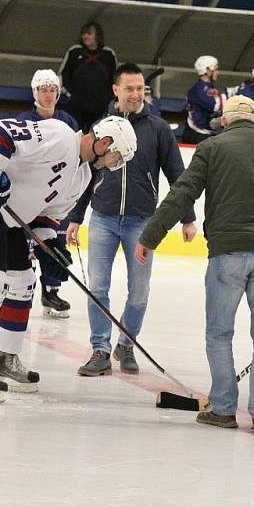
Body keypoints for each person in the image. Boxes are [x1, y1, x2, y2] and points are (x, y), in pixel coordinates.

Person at [135, 95, 254, 433]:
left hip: (227, 254)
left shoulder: (211, 148)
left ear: (225, 120)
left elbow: (182, 193)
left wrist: (150, 236)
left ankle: (224, 409)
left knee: (219, 333)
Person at [0, 114, 137, 402]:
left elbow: (46, 216)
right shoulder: (60, 136)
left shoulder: (83, 176)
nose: (114, 165)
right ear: (106, 142)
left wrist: (49, 248)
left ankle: (5, 359)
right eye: (116, 158)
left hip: (6, 217)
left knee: (23, 281)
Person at [67, 62, 197, 376]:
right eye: (129, 89)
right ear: (116, 90)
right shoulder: (101, 127)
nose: (136, 94)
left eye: (140, 89)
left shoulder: (158, 129)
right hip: (103, 219)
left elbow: (178, 176)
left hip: (142, 223)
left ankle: (126, 344)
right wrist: (75, 217)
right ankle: (99, 349)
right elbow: (88, 172)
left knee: (139, 292)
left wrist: (188, 217)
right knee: (97, 287)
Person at [17, 68, 79, 318]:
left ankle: (51, 292)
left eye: (53, 90)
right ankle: (21, 289)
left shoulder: (67, 120)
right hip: (28, 193)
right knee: (25, 243)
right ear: (35, 92)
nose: (49, 95)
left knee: (55, 243)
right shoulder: (24, 120)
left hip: (56, 194)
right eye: (44, 90)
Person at [59, 22, 117, 132]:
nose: (85, 36)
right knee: (74, 134)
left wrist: (109, 98)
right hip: (77, 105)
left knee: (97, 136)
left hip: (100, 106)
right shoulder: (74, 51)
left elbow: (115, 79)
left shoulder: (108, 54)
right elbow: (63, 75)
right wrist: (71, 95)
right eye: (84, 34)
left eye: (89, 33)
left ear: (97, 36)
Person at [181, 55, 230, 144]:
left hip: (203, 134)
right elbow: (216, 106)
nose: (218, 73)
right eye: (215, 69)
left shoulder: (207, 87)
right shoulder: (199, 90)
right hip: (197, 135)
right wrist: (233, 92)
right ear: (207, 70)